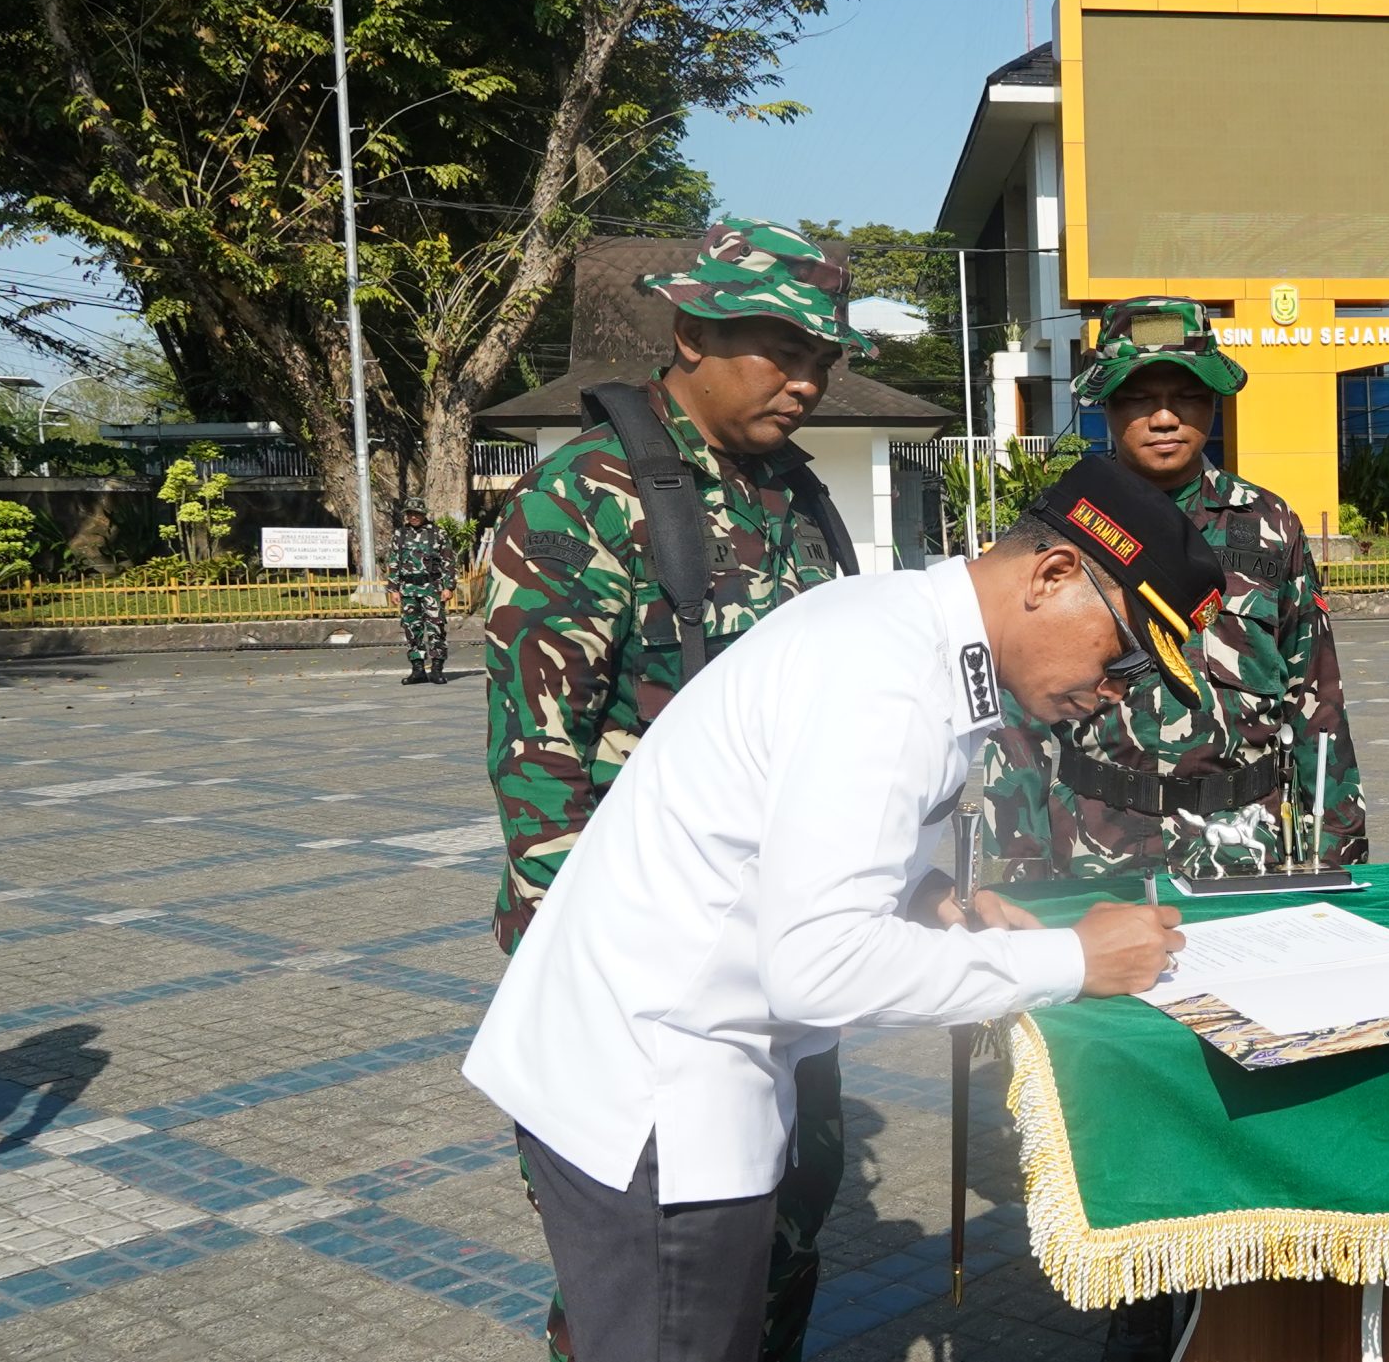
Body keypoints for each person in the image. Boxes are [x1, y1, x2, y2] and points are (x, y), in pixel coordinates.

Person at [465, 456, 1222, 1362]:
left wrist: (925, 894)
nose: (1116, 690)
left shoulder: (900, 631)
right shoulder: (891, 678)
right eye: (1123, 653)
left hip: (652, 1066)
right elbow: (819, 966)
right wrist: (1074, 960)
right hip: (658, 1099)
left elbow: (779, 830)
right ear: (1052, 575)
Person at [481, 217, 871, 1361]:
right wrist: (603, 991)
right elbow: (538, 770)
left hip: (778, 958)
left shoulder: (796, 498)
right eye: (781, 352)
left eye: (821, 359)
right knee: (638, 1279)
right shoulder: (587, 497)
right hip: (636, 977)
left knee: (783, 1234)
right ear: (693, 332)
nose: (806, 383)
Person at [977, 297, 1368, 1360]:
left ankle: (1247, 1294)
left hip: (1242, 844)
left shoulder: (1267, 525)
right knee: (1130, 1086)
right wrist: (1016, 868)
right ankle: (1142, 1301)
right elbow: (1013, 713)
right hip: (1101, 844)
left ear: (1214, 406)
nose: (1163, 415)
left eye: (1184, 396)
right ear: (1104, 409)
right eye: (1139, 397)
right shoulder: (1056, 529)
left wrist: (1335, 849)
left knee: (1250, 1069)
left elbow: (1318, 698)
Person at [386, 496, 454, 684]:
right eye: (410, 514)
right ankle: (418, 669)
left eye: (417, 513)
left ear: (423, 514)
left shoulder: (438, 533)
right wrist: (393, 588)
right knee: (411, 629)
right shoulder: (400, 534)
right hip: (408, 589)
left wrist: (448, 586)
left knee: (436, 628)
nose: (413, 517)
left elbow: (448, 561)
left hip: (432, 588)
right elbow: (394, 562)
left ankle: (437, 669)